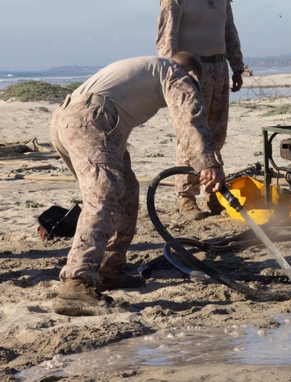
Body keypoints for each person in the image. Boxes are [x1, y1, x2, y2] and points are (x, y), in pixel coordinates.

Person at [49, 53, 226, 317]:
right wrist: (208, 164)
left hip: (72, 120)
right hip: (90, 121)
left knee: (127, 190)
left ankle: (109, 269)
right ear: (191, 75)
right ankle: (77, 282)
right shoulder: (174, 73)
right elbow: (189, 119)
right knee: (104, 198)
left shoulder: (148, 69)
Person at [156, 0, 245, 220]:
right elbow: (165, 42)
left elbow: (229, 29)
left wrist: (237, 65)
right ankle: (186, 197)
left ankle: (214, 192)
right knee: (191, 135)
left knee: (216, 135)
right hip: (190, 72)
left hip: (219, 70)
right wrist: (175, 79)